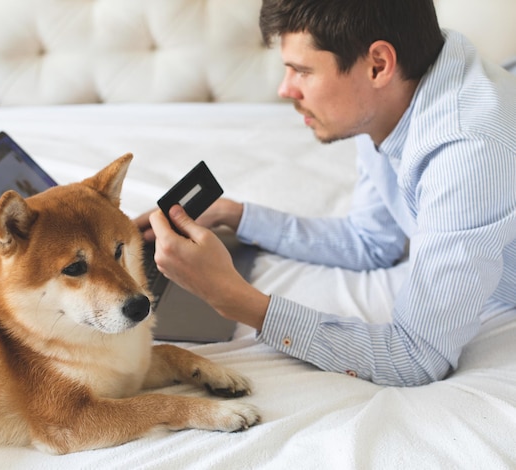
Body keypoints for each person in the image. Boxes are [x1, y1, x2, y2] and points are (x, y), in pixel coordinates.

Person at [135, 0, 516, 387]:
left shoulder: (469, 152)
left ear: (378, 65)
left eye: (302, 70)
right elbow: (371, 242)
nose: (285, 89)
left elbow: (415, 357)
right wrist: (233, 214)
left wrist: (233, 299)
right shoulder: (398, 95)